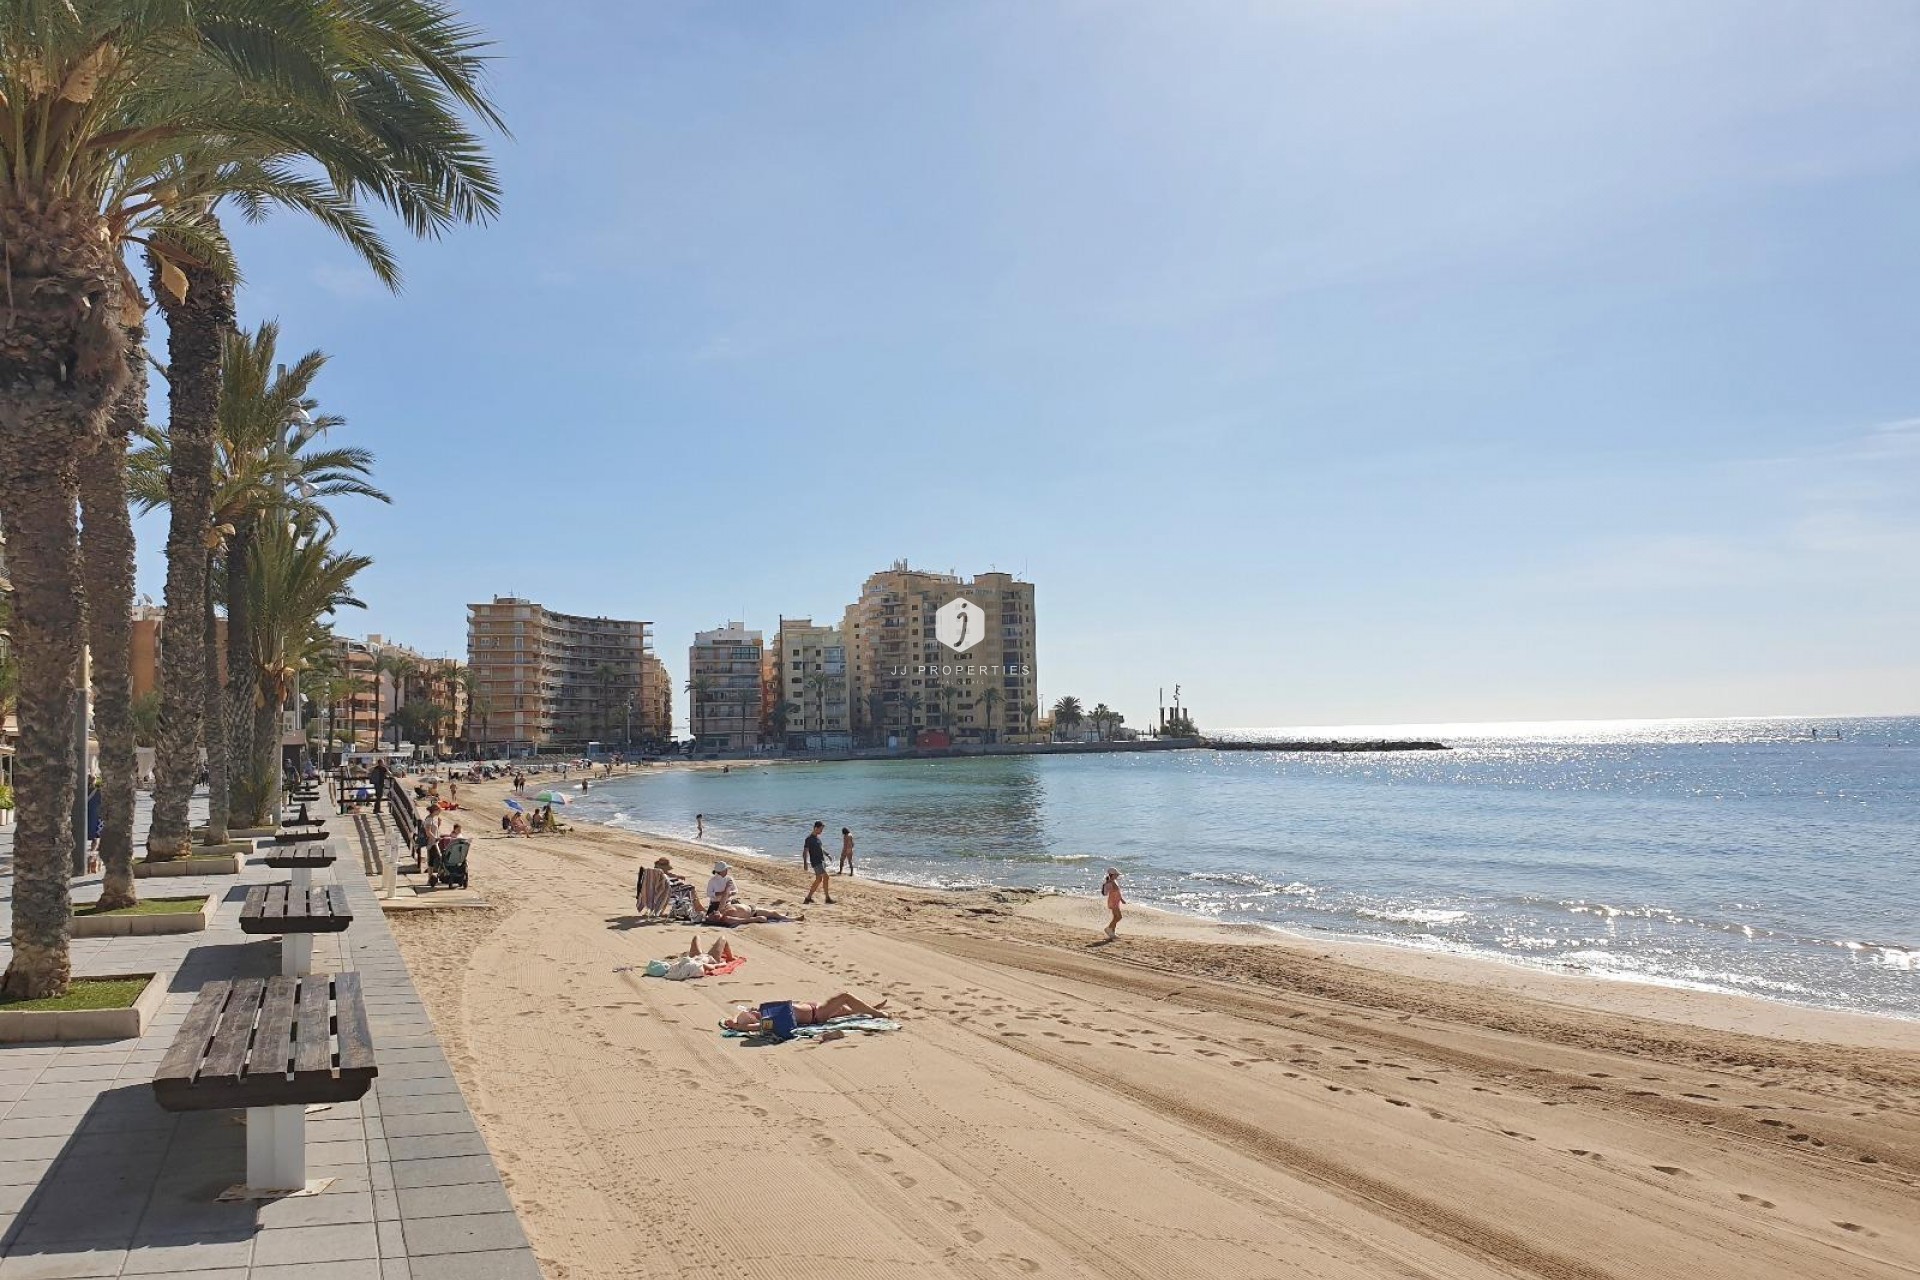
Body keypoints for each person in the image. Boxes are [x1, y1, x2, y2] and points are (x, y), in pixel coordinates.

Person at [722, 993, 889, 1032]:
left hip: (814, 1008)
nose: (753, 1011)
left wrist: (734, 1020)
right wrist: (738, 1027)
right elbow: (754, 1028)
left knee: (845, 1010)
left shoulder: (766, 1012)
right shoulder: (770, 1020)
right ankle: (876, 1013)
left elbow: (739, 1015)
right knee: (845, 997)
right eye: (752, 1014)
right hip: (817, 1014)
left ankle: (871, 1008)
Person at [802, 821, 833, 904]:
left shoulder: (817, 839)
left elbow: (821, 849)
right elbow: (805, 851)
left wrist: (827, 854)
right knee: (826, 877)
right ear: (816, 828)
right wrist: (805, 863)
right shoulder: (809, 839)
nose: (821, 831)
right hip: (816, 862)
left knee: (819, 879)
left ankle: (808, 898)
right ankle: (827, 898)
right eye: (821, 829)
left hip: (821, 861)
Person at [1102, 867, 1125, 940]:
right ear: (1112, 875)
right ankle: (1108, 928)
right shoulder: (1109, 883)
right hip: (1113, 902)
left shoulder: (1115, 881)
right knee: (1119, 917)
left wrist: (1121, 899)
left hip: (1116, 901)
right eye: (1116, 874)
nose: (1117, 875)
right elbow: (1104, 893)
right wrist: (1105, 885)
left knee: (1115, 917)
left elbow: (1118, 892)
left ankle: (1113, 933)